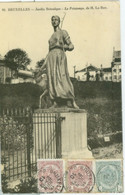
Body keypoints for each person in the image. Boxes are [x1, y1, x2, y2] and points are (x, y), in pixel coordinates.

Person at [41, 15, 79, 109]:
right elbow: (49, 51)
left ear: (59, 21)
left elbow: (71, 46)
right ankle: (55, 102)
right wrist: (43, 65)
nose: (54, 21)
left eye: (56, 20)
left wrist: (62, 47)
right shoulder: (51, 36)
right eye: (52, 20)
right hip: (51, 58)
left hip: (60, 56)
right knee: (52, 79)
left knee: (63, 77)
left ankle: (71, 100)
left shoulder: (63, 32)